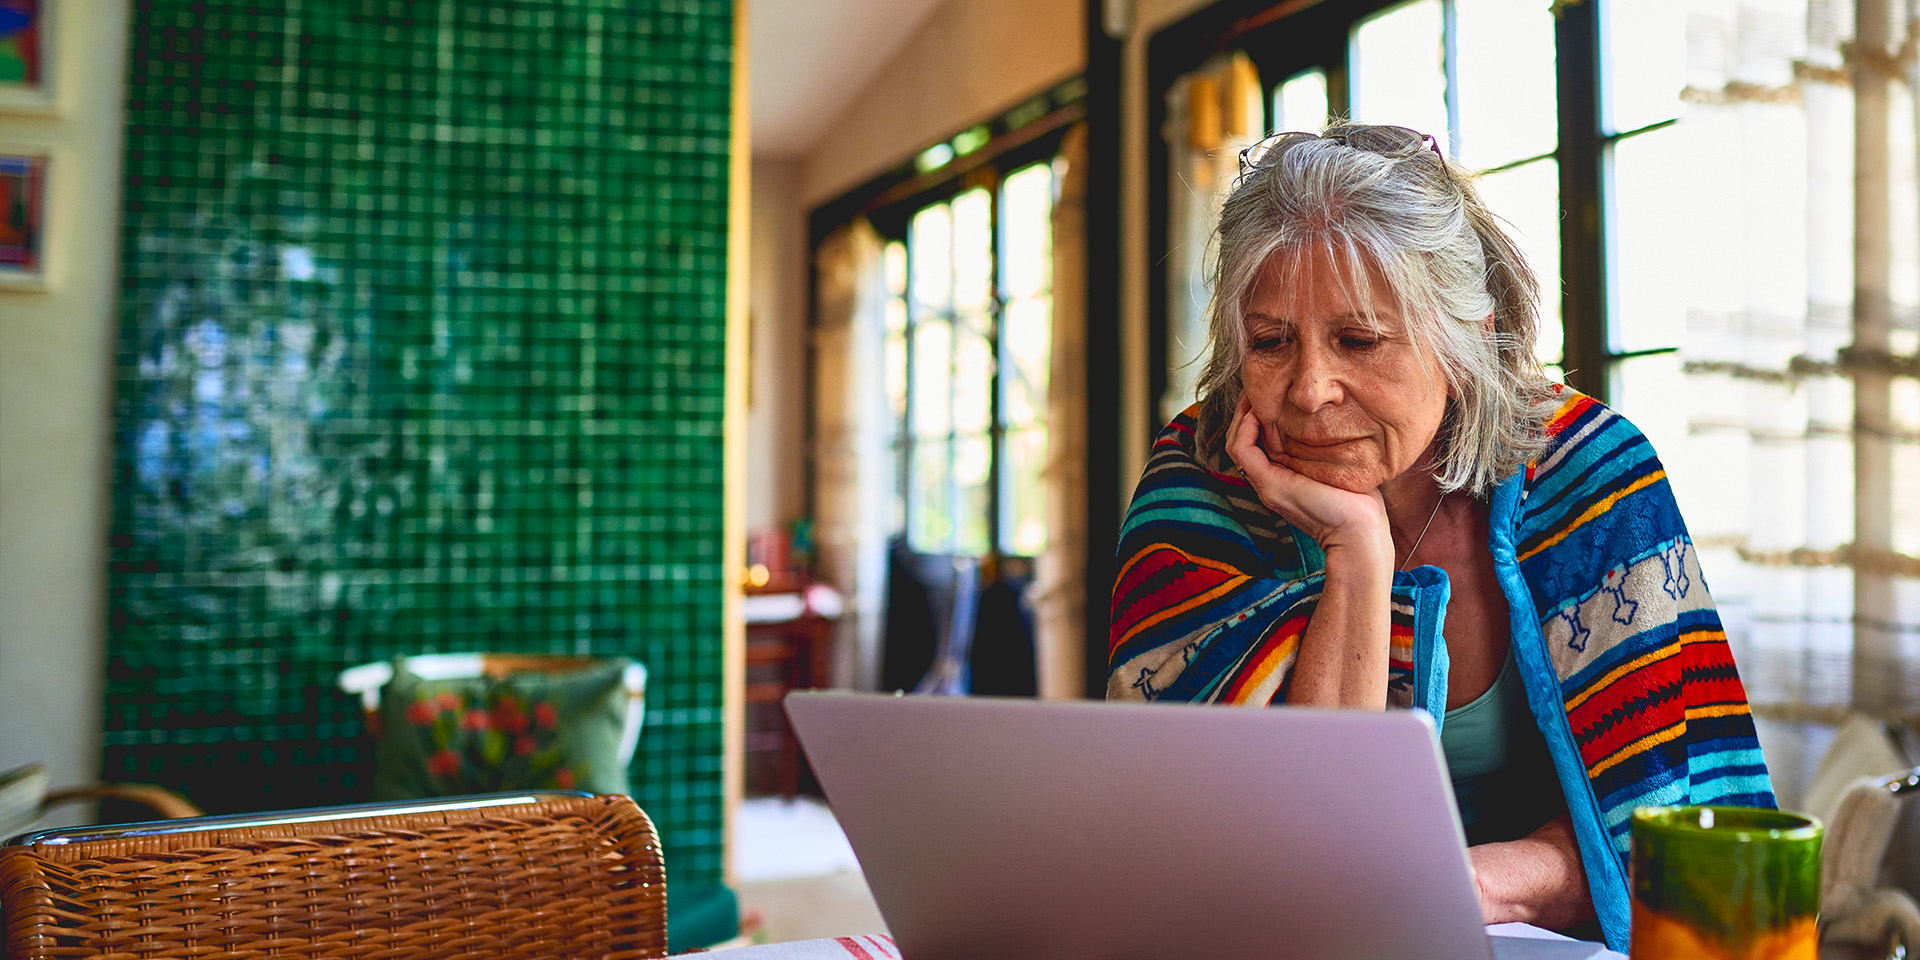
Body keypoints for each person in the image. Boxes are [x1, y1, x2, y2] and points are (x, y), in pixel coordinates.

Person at [1107, 123, 1773, 952]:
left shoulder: (1594, 475)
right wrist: (1356, 553)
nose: (1310, 390)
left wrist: (1463, 884)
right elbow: (1259, 861)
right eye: (1272, 342)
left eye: (1359, 340)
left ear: (1465, 340)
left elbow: (1669, 832)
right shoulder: (1198, 488)